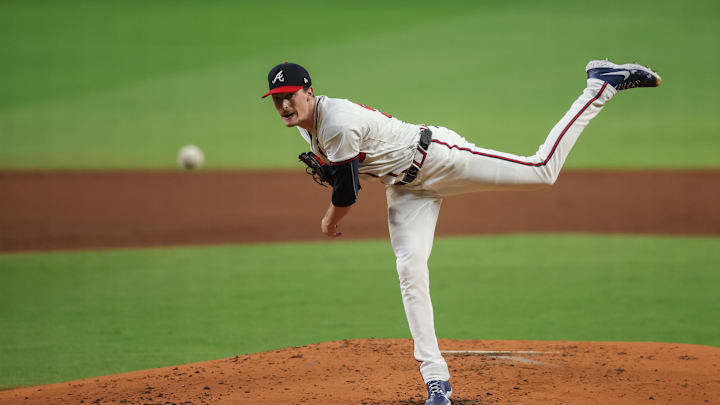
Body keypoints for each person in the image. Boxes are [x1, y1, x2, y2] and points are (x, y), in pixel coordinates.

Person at [262, 60, 661, 405]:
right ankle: (436, 379)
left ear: (310, 93)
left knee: (543, 170)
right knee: (410, 269)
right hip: (406, 191)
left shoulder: (337, 123)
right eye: (277, 98)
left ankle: (601, 85)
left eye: (290, 95)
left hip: (439, 159)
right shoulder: (308, 126)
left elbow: (347, 193)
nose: (283, 104)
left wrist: (331, 219)